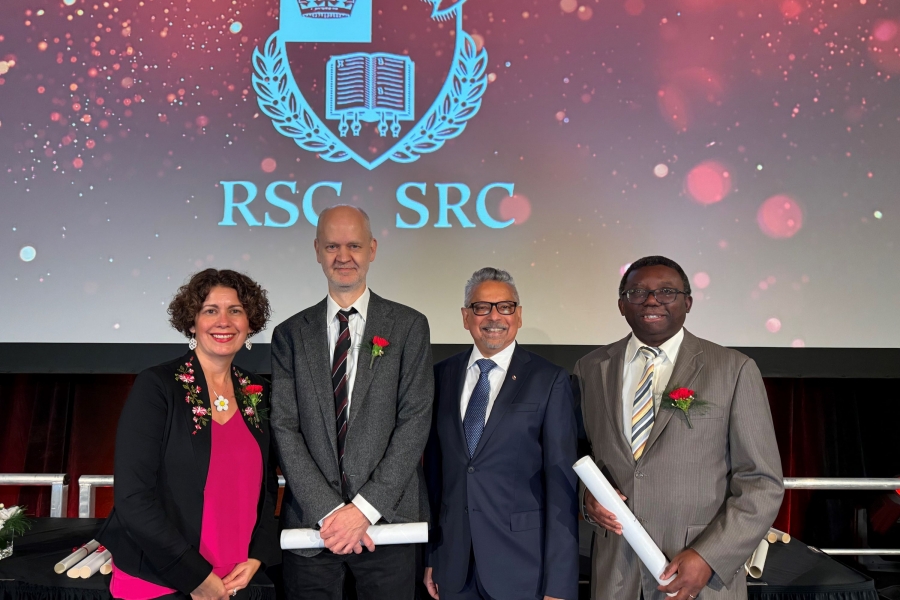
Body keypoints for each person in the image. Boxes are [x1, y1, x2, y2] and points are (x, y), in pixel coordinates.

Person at [574, 256, 784, 600]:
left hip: (699, 575)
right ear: (621, 305)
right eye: (637, 292)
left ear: (687, 302)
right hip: (616, 575)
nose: (652, 300)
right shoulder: (590, 369)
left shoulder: (733, 369)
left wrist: (709, 556)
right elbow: (576, 453)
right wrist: (586, 498)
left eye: (666, 292)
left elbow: (762, 482)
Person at [270, 205, 434, 599]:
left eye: (354, 245)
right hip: (313, 527)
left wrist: (362, 510)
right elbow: (284, 427)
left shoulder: (409, 326)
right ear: (316, 250)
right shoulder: (290, 334)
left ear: (373, 249)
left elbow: (415, 420)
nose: (343, 256)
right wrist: (331, 513)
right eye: (332, 246)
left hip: (388, 522)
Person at [98, 269, 280, 600]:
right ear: (192, 322)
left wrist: (259, 555)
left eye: (235, 310)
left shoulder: (257, 391)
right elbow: (132, 499)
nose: (223, 321)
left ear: (250, 322)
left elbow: (267, 486)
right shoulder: (157, 386)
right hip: (162, 580)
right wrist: (195, 577)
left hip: (235, 579)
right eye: (210, 310)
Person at [424, 267, 580, 600]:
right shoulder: (441, 376)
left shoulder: (549, 380)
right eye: (481, 307)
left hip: (524, 569)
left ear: (518, 316)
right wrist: (432, 556)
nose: (494, 316)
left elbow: (562, 485)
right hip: (454, 567)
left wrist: (559, 583)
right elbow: (436, 478)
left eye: (505, 307)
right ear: (466, 317)